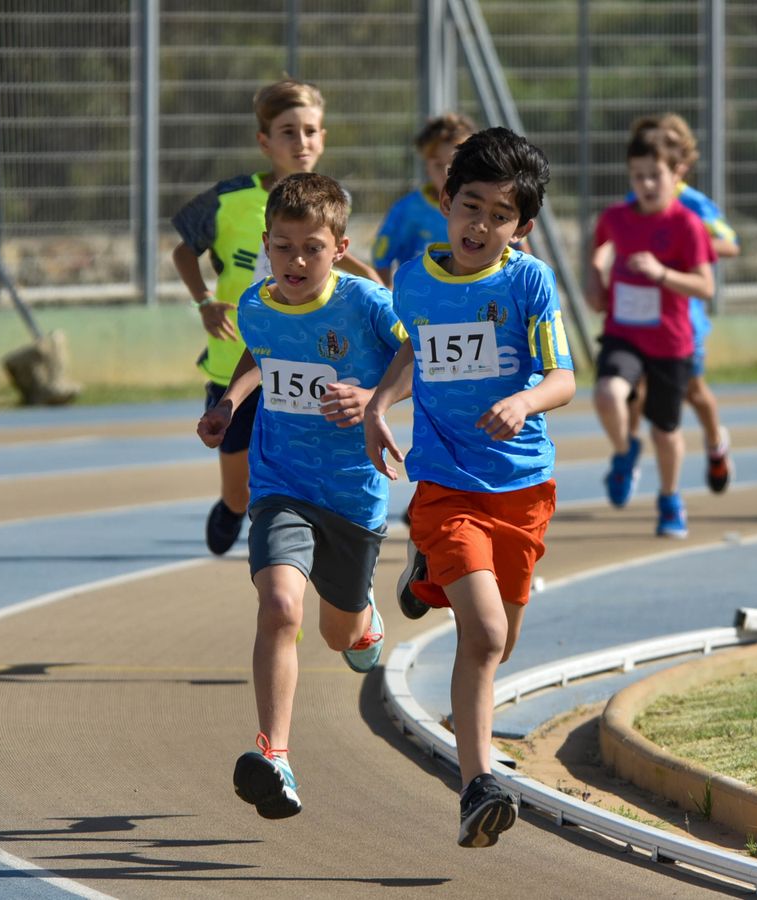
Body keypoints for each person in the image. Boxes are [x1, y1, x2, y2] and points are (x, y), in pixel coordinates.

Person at [363, 127, 575, 848]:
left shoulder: (527, 282)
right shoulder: (415, 278)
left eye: (500, 214)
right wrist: (376, 404)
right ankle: (478, 783)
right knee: (480, 634)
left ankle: (429, 576)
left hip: (521, 487)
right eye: (470, 206)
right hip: (446, 482)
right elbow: (410, 349)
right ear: (445, 201)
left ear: (522, 227)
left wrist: (525, 401)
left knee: (501, 640)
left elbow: (564, 377)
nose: (480, 225)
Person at [197, 173, 405, 820]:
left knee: (339, 634)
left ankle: (363, 617)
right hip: (281, 483)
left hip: (353, 493)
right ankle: (276, 756)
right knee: (280, 605)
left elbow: (419, 359)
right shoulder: (258, 303)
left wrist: (374, 400)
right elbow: (259, 352)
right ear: (266, 245)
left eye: (311, 247)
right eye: (282, 247)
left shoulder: (368, 303)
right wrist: (230, 403)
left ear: (339, 247)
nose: (295, 261)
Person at [174, 78, 380, 557]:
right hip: (239, 359)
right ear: (265, 141)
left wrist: (366, 274)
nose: (301, 142)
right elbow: (184, 250)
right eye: (288, 132)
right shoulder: (229, 199)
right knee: (239, 487)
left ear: (323, 137)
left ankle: (301, 543)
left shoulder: (334, 197)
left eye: (310, 131)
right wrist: (204, 301)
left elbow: (326, 250)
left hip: (307, 361)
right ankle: (230, 506)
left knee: (301, 471)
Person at [585, 124, 716, 538]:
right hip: (623, 334)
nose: (645, 184)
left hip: (669, 341)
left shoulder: (687, 224)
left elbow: (705, 286)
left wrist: (661, 273)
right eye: (637, 175)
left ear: (676, 174)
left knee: (666, 431)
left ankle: (670, 497)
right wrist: (595, 269)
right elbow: (596, 299)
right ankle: (625, 452)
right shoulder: (614, 220)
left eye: (654, 175)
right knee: (607, 393)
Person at [606, 114, 738, 500]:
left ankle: (716, 444)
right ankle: (628, 457)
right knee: (632, 392)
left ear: (680, 165)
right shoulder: (635, 201)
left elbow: (731, 244)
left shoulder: (695, 207)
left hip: (683, 318)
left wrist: (681, 249)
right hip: (637, 317)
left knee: (693, 391)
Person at [372, 113, 478, 287]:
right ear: (426, 165)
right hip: (421, 308)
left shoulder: (487, 206)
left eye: (455, 162)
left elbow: (519, 250)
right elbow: (381, 258)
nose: (446, 172)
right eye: (437, 164)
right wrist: (387, 304)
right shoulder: (407, 210)